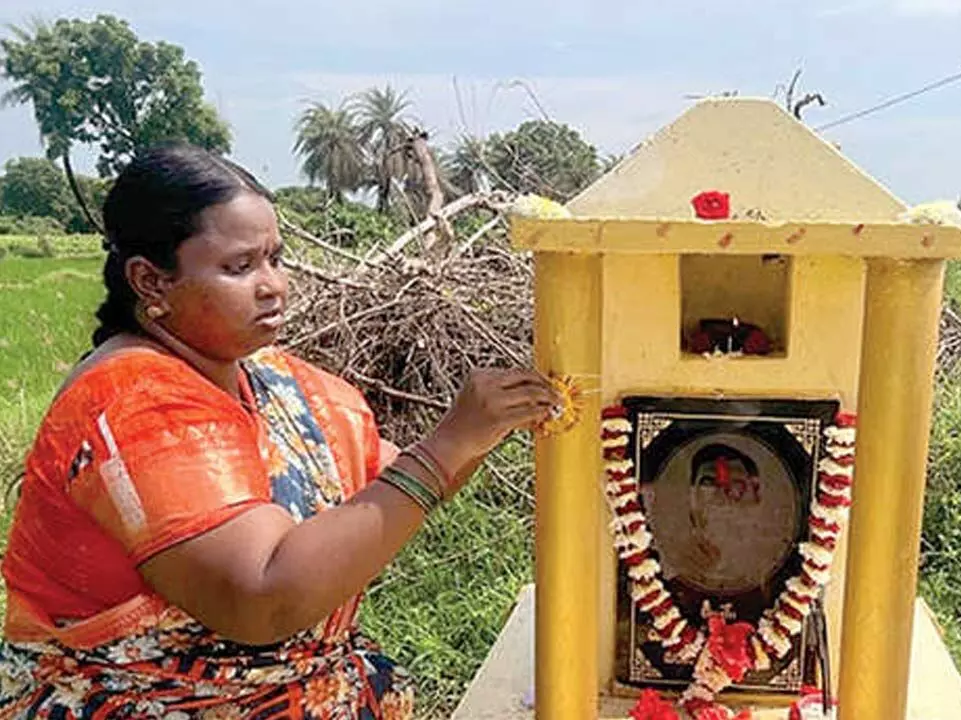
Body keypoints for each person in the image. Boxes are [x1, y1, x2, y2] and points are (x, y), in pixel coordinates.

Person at [0, 144, 558, 719]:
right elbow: (261, 596)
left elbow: (392, 487)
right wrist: (446, 446)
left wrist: (482, 430)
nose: (273, 285)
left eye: (276, 258)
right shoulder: (135, 403)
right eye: (240, 267)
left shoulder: (265, 379)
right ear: (150, 281)